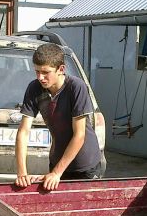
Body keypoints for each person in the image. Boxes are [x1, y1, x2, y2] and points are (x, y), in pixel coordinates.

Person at [14, 43, 105, 191]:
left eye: (45, 72)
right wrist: (22, 173)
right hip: (57, 162)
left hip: (85, 166)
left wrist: (56, 173)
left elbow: (79, 135)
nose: (40, 77)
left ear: (61, 69)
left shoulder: (76, 87)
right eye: (37, 71)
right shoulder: (34, 88)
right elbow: (23, 132)